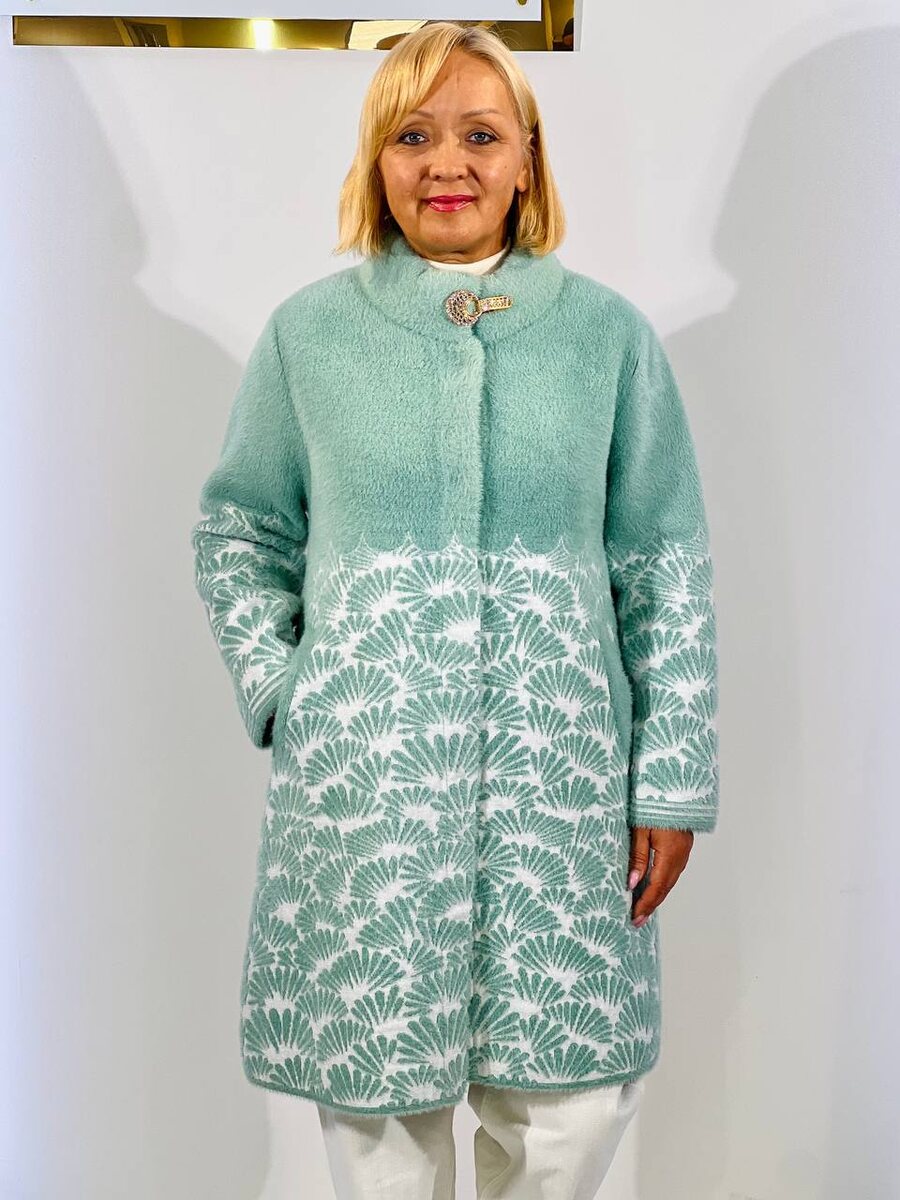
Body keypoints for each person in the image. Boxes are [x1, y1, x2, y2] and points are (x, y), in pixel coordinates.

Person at [190, 20, 720, 1199]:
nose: (447, 164)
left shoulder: (607, 340)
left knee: (571, 1112)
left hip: (561, 789)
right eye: (414, 136)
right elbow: (241, 530)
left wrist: (671, 780)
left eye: (481, 136)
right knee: (381, 1124)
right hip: (370, 791)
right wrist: (293, 690)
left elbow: (664, 563)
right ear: (377, 158)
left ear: (528, 157)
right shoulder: (309, 337)